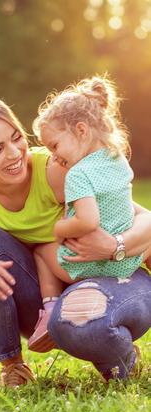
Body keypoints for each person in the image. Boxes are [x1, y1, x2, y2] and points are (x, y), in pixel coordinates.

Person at [0, 93, 151, 387]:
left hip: (114, 280)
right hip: (47, 300)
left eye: (16, 138)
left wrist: (115, 246)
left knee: (80, 314)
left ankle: (121, 359)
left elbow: (144, 218)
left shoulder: (58, 170)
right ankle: (13, 367)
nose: (14, 154)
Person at [27, 76, 151, 352]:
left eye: (55, 146)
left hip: (86, 265)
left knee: (41, 253)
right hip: (128, 259)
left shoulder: (79, 174)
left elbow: (87, 221)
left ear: (81, 130)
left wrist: (60, 229)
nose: (54, 157)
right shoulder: (117, 158)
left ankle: (49, 310)